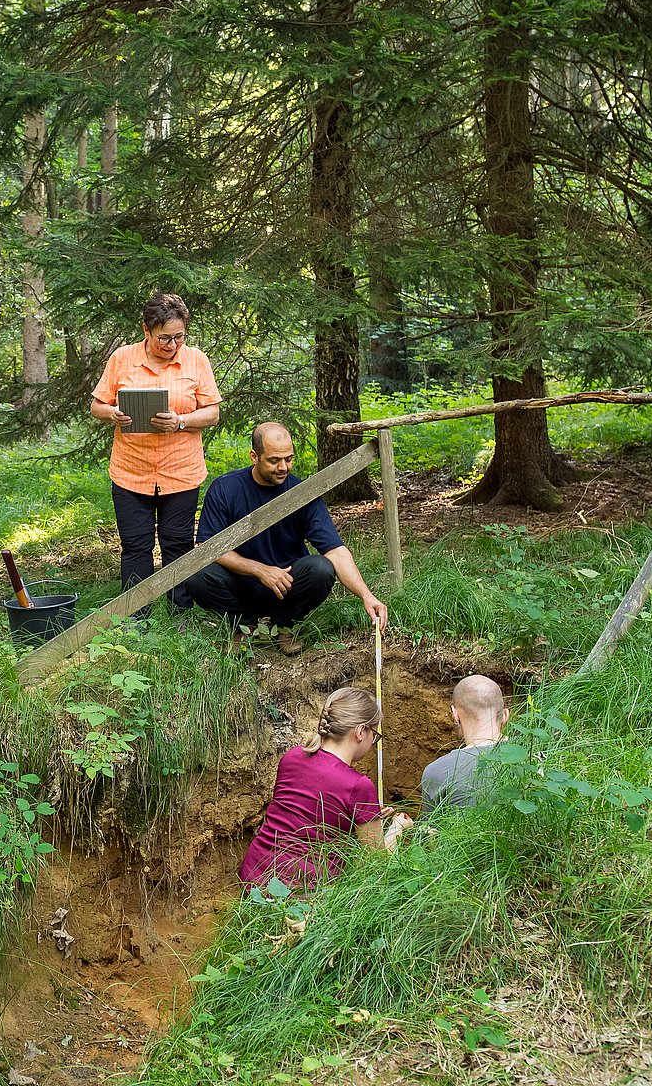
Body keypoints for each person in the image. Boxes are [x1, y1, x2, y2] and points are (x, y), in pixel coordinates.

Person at [183, 422, 387, 656]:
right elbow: (207, 547)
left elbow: (335, 551)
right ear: (254, 457)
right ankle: (244, 626)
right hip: (240, 583)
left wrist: (366, 595)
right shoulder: (225, 488)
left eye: (289, 459)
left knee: (321, 568)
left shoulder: (302, 492)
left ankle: (284, 625)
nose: (283, 467)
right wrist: (259, 570)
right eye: (274, 461)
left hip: (287, 585)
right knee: (197, 574)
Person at [88, 292, 222, 600]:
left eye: (179, 338)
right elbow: (97, 406)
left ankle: (179, 613)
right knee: (136, 545)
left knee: (178, 544)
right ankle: (137, 616)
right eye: (165, 338)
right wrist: (114, 414)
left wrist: (180, 421)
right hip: (130, 472)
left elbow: (213, 412)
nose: (173, 346)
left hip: (181, 471)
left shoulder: (196, 360)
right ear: (147, 331)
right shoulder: (123, 358)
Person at [240, 687, 411, 890]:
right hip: (301, 891)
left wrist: (362, 820)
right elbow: (377, 864)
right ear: (360, 732)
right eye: (374, 734)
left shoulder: (292, 757)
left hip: (254, 876)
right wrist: (397, 828)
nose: (373, 742)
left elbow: (305, 821)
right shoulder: (358, 785)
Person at [419, 675, 510, 810]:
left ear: (455, 714)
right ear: (505, 715)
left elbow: (430, 830)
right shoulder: (536, 756)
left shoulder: (436, 772)